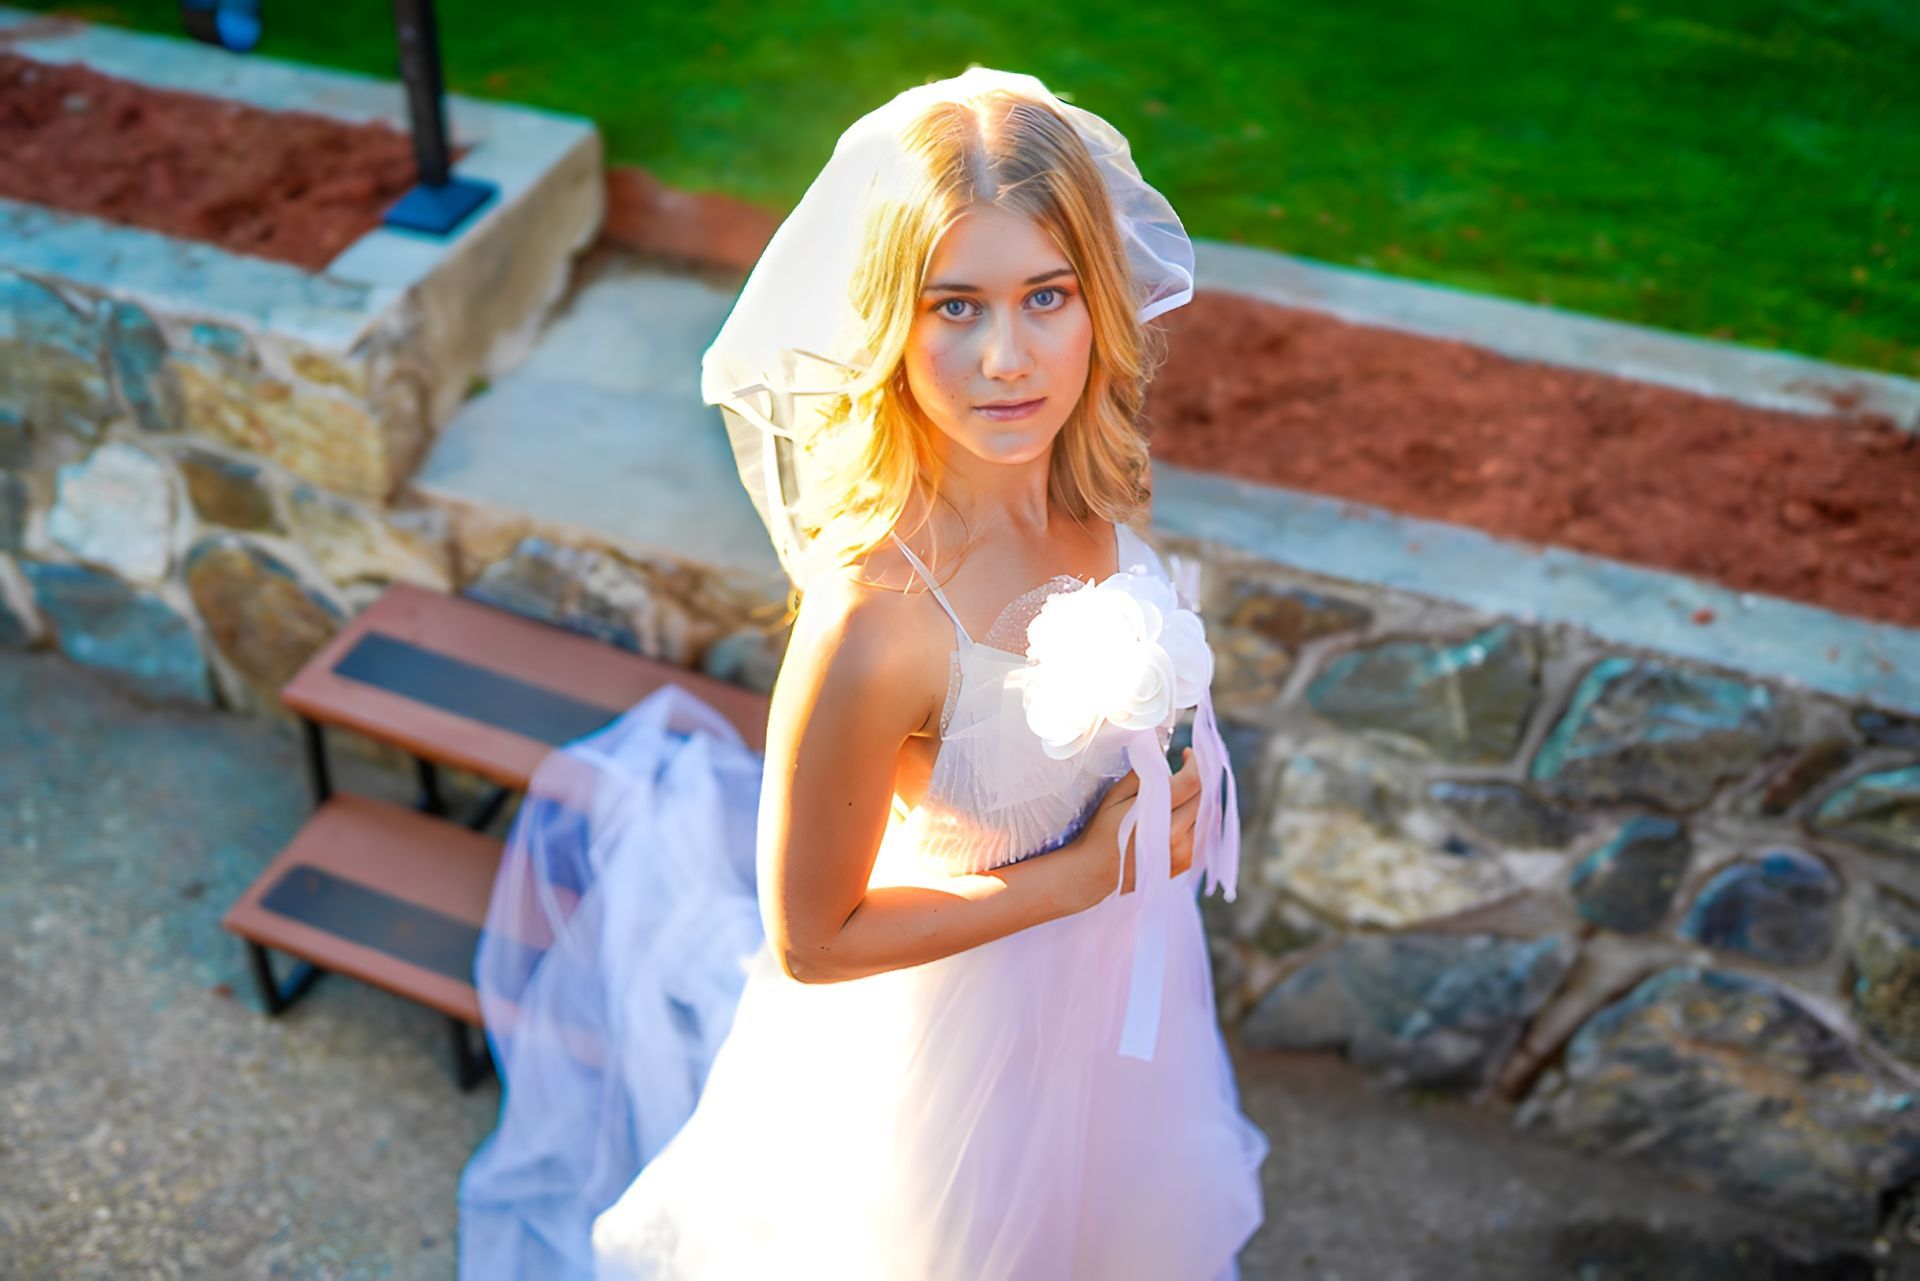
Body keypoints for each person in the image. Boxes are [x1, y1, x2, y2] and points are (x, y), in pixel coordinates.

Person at [461, 66, 1268, 1281]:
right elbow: (814, 939)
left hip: (1116, 1005)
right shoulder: (877, 619)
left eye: (1046, 295)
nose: (1008, 359)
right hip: (960, 1051)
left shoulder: (1100, 484)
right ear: (891, 320)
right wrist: (1082, 875)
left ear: (1098, 300)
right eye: (955, 307)